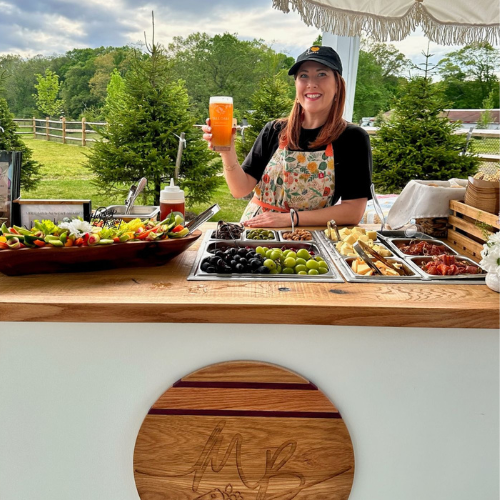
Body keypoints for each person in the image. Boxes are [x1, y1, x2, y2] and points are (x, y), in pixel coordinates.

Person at [203, 45, 372, 228]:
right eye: (303, 75)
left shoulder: (352, 138)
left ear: (338, 85)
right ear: (296, 85)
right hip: (257, 231)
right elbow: (239, 189)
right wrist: (227, 151)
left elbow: (353, 211)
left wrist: (289, 219)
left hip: (310, 238)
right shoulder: (274, 130)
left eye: (322, 74)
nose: (311, 83)